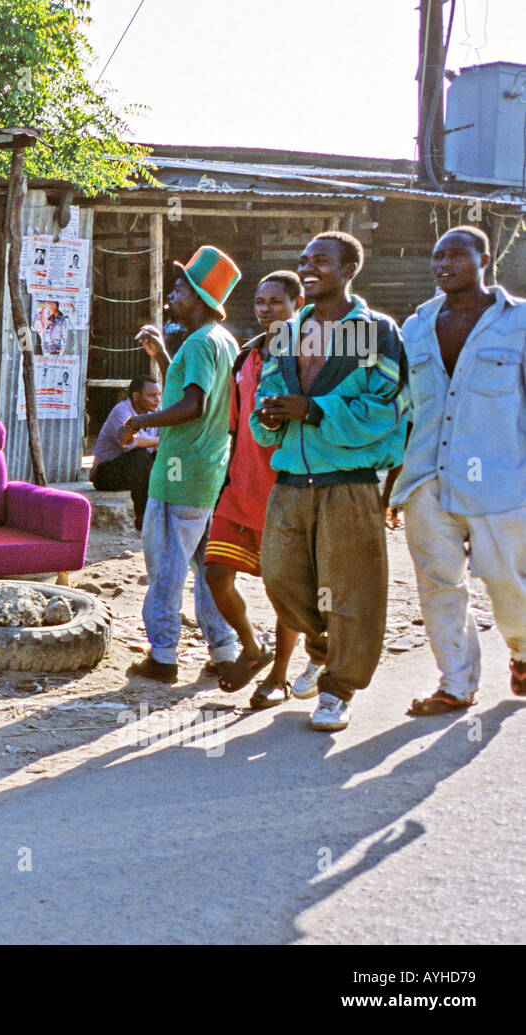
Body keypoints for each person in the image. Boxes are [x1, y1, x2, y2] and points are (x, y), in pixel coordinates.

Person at [252, 232, 410, 732]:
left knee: (352, 591)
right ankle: (323, 647)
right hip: (293, 479)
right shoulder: (288, 332)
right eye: (303, 260)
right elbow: (269, 392)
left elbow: (390, 408)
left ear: (348, 269)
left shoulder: (375, 331)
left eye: (320, 260)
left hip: (349, 481)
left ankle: (338, 690)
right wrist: (273, 415)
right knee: (279, 578)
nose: (307, 267)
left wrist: (316, 409)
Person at [389, 225, 526, 714]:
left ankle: (522, 650)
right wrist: (394, 482)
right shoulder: (417, 326)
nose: (444, 264)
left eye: (456, 255)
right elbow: (404, 409)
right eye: (437, 257)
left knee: (505, 579)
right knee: (438, 584)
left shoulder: (519, 322)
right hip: (427, 475)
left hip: (500, 478)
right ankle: (456, 683)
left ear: (484, 258)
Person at [118, 246, 242, 683]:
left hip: (179, 473)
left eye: (180, 287)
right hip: (210, 473)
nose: (172, 294)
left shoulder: (198, 342)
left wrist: (139, 420)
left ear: (200, 298)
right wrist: (160, 355)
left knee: (165, 568)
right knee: (209, 568)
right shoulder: (220, 341)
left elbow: (193, 404)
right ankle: (224, 649)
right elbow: (194, 394)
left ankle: (164, 655)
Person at [204, 271, 319, 707]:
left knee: (284, 589)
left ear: (298, 302)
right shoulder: (247, 357)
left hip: (287, 489)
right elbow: (235, 425)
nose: (265, 308)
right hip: (240, 486)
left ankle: (279, 675)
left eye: (275, 301)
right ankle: (252, 647)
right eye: (259, 301)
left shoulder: (312, 357)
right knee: (217, 574)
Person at [91, 374, 161, 531]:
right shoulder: (122, 411)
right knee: (140, 455)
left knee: (170, 458)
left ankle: (173, 507)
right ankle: (143, 517)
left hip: (135, 472)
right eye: (151, 395)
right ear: (136, 396)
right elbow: (131, 443)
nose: (157, 400)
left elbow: (169, 437)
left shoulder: (156, 411)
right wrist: (162, 442)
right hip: (106, 473)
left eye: (158, 395)